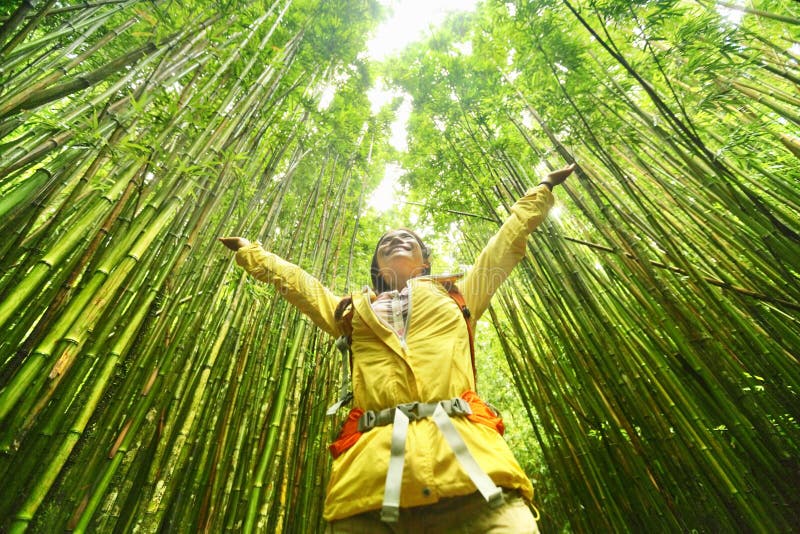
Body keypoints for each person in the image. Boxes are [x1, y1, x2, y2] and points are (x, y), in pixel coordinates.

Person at [220, 163, 575, 533]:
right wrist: (251, 253)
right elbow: (299, 285)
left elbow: (507, 242)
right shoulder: (350, 313)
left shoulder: (459, 297)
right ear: (377, 267)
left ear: (425, 262)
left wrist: (543, 187)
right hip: (371, 493)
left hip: (477, 481)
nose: (396, 240)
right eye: (385, 242)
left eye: (409, 239)